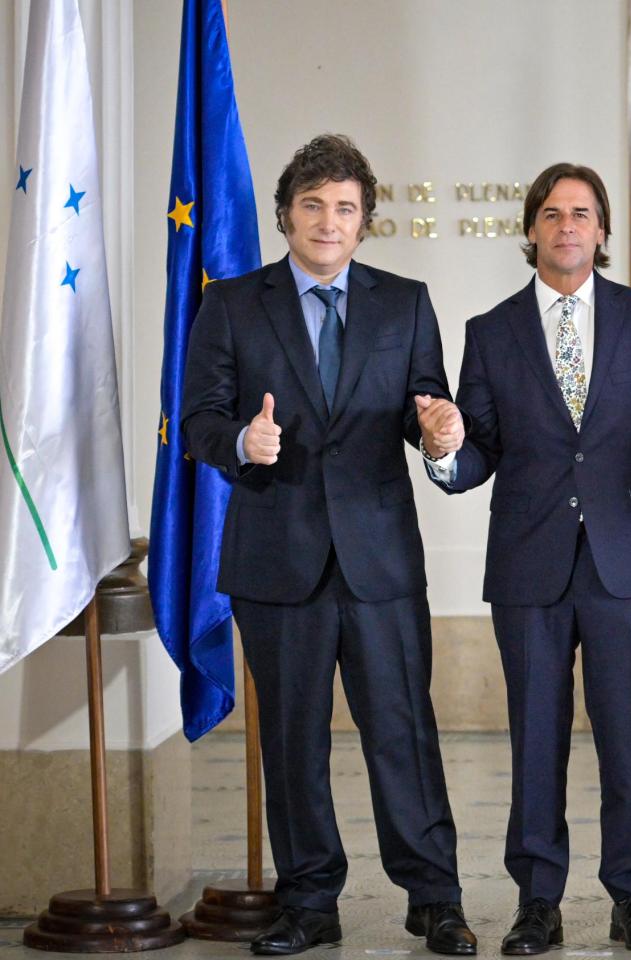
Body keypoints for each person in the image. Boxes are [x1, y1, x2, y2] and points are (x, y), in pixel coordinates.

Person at [423, 162, 631, 956]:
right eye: (553, 213)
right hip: (528, 565)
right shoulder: (491, 331)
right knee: (535, 738)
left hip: (623, 561)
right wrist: (444, 450)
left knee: (627, 738)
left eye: (582, 213)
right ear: (531, 229)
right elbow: (477, 450)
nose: (567, 225)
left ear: (602, 231)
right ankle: (538, 903)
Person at [181, 134, 475, 956]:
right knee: (293, 742)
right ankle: (309, 903)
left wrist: (441, 433)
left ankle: (436, 898)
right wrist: (242, 443)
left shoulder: (405, 302)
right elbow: (198, 420)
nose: (328, 221)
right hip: (277, 561)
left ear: (364, 221)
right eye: (312, 205)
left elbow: (427, 408)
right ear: (285, 216)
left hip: (379, 561)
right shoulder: (233, 304)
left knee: (403, 733)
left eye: (345, 207)